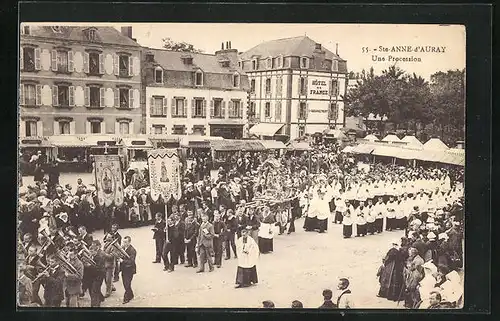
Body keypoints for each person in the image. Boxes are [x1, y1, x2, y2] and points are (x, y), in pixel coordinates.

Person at [120, 236, 137, 304]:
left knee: (127, 284)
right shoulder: (123, 248)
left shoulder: (133, 250)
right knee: (125, 283)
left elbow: (131, 261)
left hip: (130, 269)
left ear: (129, 242)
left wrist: (122, 261)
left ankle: (126, 298)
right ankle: (131, 295)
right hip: (124, 269)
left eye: (125, 242)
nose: (124, 243)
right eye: (123, 242)